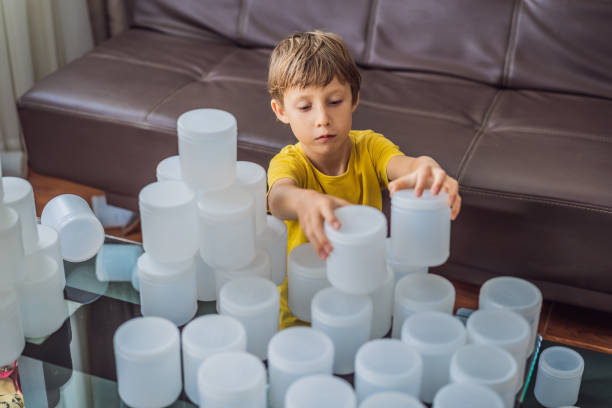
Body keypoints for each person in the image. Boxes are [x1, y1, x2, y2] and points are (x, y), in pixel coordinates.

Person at [266, 31, 461, 329]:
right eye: (305, 107)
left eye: (334, 101)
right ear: (281, 111)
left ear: (354, 99)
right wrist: (304, 200)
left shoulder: (370, 147)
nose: (322, 118)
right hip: (303, 307)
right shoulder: (289, 163)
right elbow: (279, 198)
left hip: (362, 295)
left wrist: (427, 166)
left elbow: (405, 165)